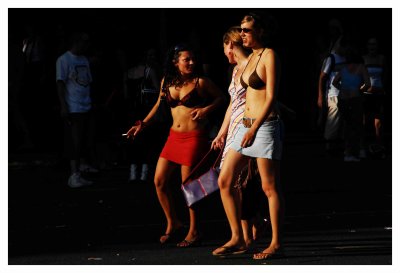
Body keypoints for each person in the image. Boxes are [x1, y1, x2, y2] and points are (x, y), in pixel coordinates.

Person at [126, 44, 224, 247]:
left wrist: (206, 109)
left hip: (194, 137)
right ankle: (173, 223)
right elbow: (158, 105)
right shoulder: (167, 82)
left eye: (192, 59)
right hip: (173, 137)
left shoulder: (201, 82)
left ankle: (194, 230)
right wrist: (142, 124)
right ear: (175, 62)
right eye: (186, 59)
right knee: (159, 181)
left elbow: (222, 98)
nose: (191, 62)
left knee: (188, 185)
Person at [212, 12, 285, 260]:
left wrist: (255, 128)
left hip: (264, 126)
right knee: (225, 180)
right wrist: (232, 130)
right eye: (241, 29)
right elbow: (236, 100)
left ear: (260, 32)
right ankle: (237, 237)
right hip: (244, 125)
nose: (242, 33)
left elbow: (271, 97)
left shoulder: (268, 55)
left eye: (247, 30)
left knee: (268, 186)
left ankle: (275, 243)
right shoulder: (250, 58)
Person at [211, 26, 265, 248]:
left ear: (230, 45)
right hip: (234, 128)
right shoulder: (234, 71)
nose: (225, 53)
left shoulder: (254, 64)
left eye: (225, 48)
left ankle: (243, 235)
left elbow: (263, 97)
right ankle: (243, 235)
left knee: (238, 182)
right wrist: (222, 132)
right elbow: (232, 104)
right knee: (234, 183)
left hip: (248, 127)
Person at [56, 31, 98, 188]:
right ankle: (74, 175)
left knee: (84, 139)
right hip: (73, 107)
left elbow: (88, 82)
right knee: (74, 141)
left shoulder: (84, 60)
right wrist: (63, 105)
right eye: (84, 43)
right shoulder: (63, 60)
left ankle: (81, 167)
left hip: (85, 105)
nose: (86, 46)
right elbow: (60, 83)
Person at [332, 44, 370, 162]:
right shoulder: (361, 67)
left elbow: (334, 82)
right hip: (355, 99)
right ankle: (359, 151)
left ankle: (347, 153)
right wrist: (359, 90)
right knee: (357, 126)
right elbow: (368, 84)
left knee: (347, 126)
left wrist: (343, 88)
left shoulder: (343, 68)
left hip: (343, 99)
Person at [317, 42, 347, 155]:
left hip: (345, 94)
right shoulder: (332, 58)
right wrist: (320, 96)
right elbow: (322, 77)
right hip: (333, 94)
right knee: (333, 121)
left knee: (342, 122)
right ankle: (328, 147)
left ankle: (337, 146)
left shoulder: (346, 58)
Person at [362, 37, 387, 158]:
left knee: (378, 123)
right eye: (370, 44)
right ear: (367, 46)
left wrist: (385, 89)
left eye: (375, 44)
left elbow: (386, 75)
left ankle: (379, 147)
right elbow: (360, 75)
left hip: (379, 94)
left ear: (377, 46)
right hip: (367, 95)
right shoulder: (364, 58)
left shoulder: (382, 58)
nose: (372, 47)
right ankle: (364, 148)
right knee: (365, 121)